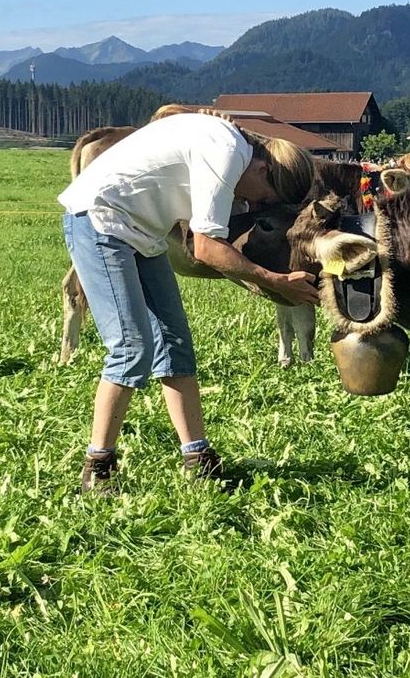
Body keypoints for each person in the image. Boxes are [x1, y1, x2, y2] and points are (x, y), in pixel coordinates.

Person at [58, 111, 319, 493]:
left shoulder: (232, 146)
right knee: (131, 348)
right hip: (99, 219)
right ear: (264, 170)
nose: (250, 203)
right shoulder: (226, 152)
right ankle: (98, 467)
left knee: (174, 343)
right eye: (262, 197)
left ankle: (198, 459)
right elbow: (206, 248)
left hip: (140, 229)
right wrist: (275, 281)